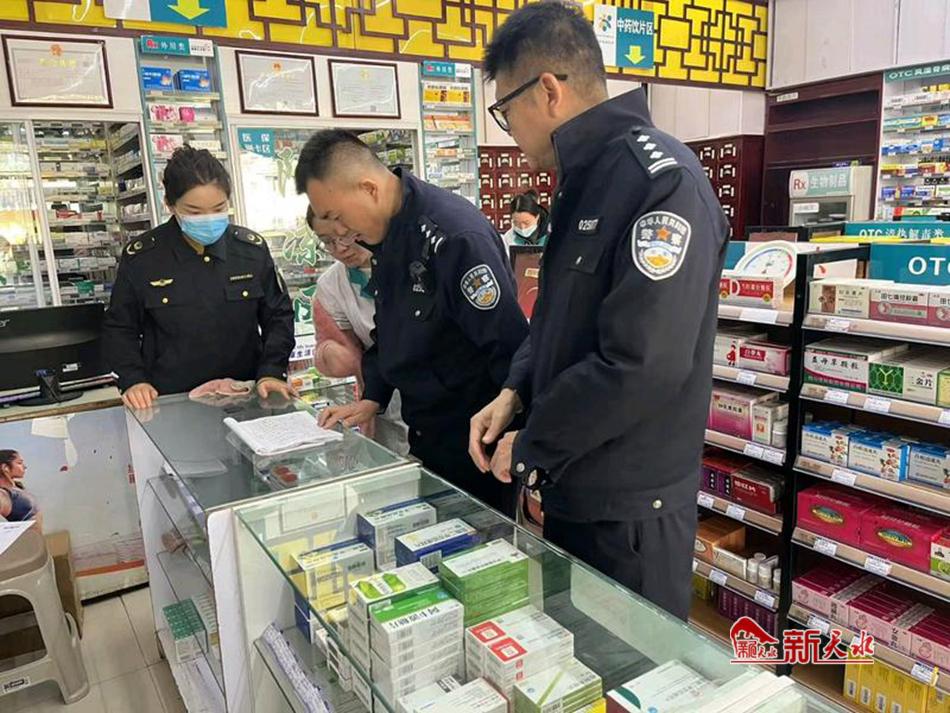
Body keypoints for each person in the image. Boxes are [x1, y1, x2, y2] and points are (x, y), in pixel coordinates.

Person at [469, 1, 730, 620]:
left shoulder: (659, 182)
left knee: (633, 669)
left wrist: (534, 441)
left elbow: (641, 363)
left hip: (629, 513)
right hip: (576, 486)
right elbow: (556, 319)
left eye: (506, 111)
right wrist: (514, 389)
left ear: (548, 91)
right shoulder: (583, 180)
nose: (508, 130)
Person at [296, 130, 528, 514]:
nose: (339, 233)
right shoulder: (387, 236)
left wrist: (517, 434)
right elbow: (391, 329)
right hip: (426, 432)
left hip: (473, 440)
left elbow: (509, 343)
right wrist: (373, 396)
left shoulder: (453, 237)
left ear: (369, 188)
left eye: (336, 217)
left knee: (481, 540)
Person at [103, 146, 296, 410]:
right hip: (172, 401)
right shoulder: (143, 258)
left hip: (246, 395)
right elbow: (120, 327)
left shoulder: (250, 250)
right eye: (194, 212)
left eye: (218, 208)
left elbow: (278, 316)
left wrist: (273, 369)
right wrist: (133, 379)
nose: (208, 219)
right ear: (170, 205)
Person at [307, 206, 410, 456]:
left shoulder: (409, 264)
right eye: (328, 242)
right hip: (381, 397)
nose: (340, 249)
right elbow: (356, 349)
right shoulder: (332, 284)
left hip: (437, 396)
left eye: (345, 236)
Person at [0, 450, 40, 525]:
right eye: (19, 463)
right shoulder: (3, 494)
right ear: (5, 467)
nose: (24, 467)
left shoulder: (16, 489)